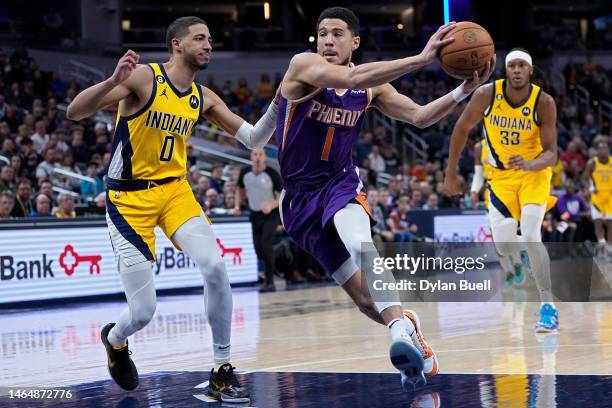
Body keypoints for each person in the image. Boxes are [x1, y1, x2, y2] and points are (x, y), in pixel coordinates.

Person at [272, 7, 493, 387]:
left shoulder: (371, 88)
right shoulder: (303, 65)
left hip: (339, 183)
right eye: (322, 33)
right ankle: (407, 328)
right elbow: (353, 74)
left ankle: (397, 336)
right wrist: (423, 58)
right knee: (363, 300)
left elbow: (420, 117)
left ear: (354, 42)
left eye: (337, 34)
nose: (327, 40)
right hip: (296, 201)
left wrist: (462, 90)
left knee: (361, 244)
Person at [67, 16, 279, 402]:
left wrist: (283, 102)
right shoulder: (144, 78)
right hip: (128, 200)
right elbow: (74, 112)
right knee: (144, 312)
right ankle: (115, 339)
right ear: (177, 45)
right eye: (200, 39)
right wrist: (113, 81)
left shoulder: (204, 96)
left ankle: (222, 369)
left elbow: (252, 138)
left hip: (175, 192)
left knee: (215, 266)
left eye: (211, 39)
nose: (209, 45)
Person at [444, 48, 559, 332]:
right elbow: (461, 129)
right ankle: (524, 254)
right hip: (500, 179)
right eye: (512, 66)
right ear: (506, 70)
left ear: (530, 70)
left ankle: (548, 308)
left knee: (532, 234)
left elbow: (552, 153)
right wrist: (450, 174)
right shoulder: (486, 94)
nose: (517, 70)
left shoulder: (543, 102)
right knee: (504, 246)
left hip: (533, 174)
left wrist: (532, 164)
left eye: (522, 65)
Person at [235, 149, 282, 292]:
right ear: (251, 156)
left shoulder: (272, 174)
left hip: (270, 215)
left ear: (265, 157)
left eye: (260, 154)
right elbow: (239, 189)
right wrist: (237, 205)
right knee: (258, 249)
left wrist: (271, 205)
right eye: (255, 154)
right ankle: (280, 251)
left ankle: (270, 282)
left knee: (266, 246)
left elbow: (281, 197)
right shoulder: (244, 172)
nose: (257, 157)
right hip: (254, 214)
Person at [584, 141, 611, 248]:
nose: (603, 151)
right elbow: (585, 178)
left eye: (605, 148)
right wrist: (590, 187)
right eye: (600, 148)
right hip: (597, 196)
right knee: (597, 222)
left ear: (608, 150)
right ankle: (602, 243)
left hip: (610, 197)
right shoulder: (592, 163)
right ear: (597, 151)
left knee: (610, 224)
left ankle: (609, 249)